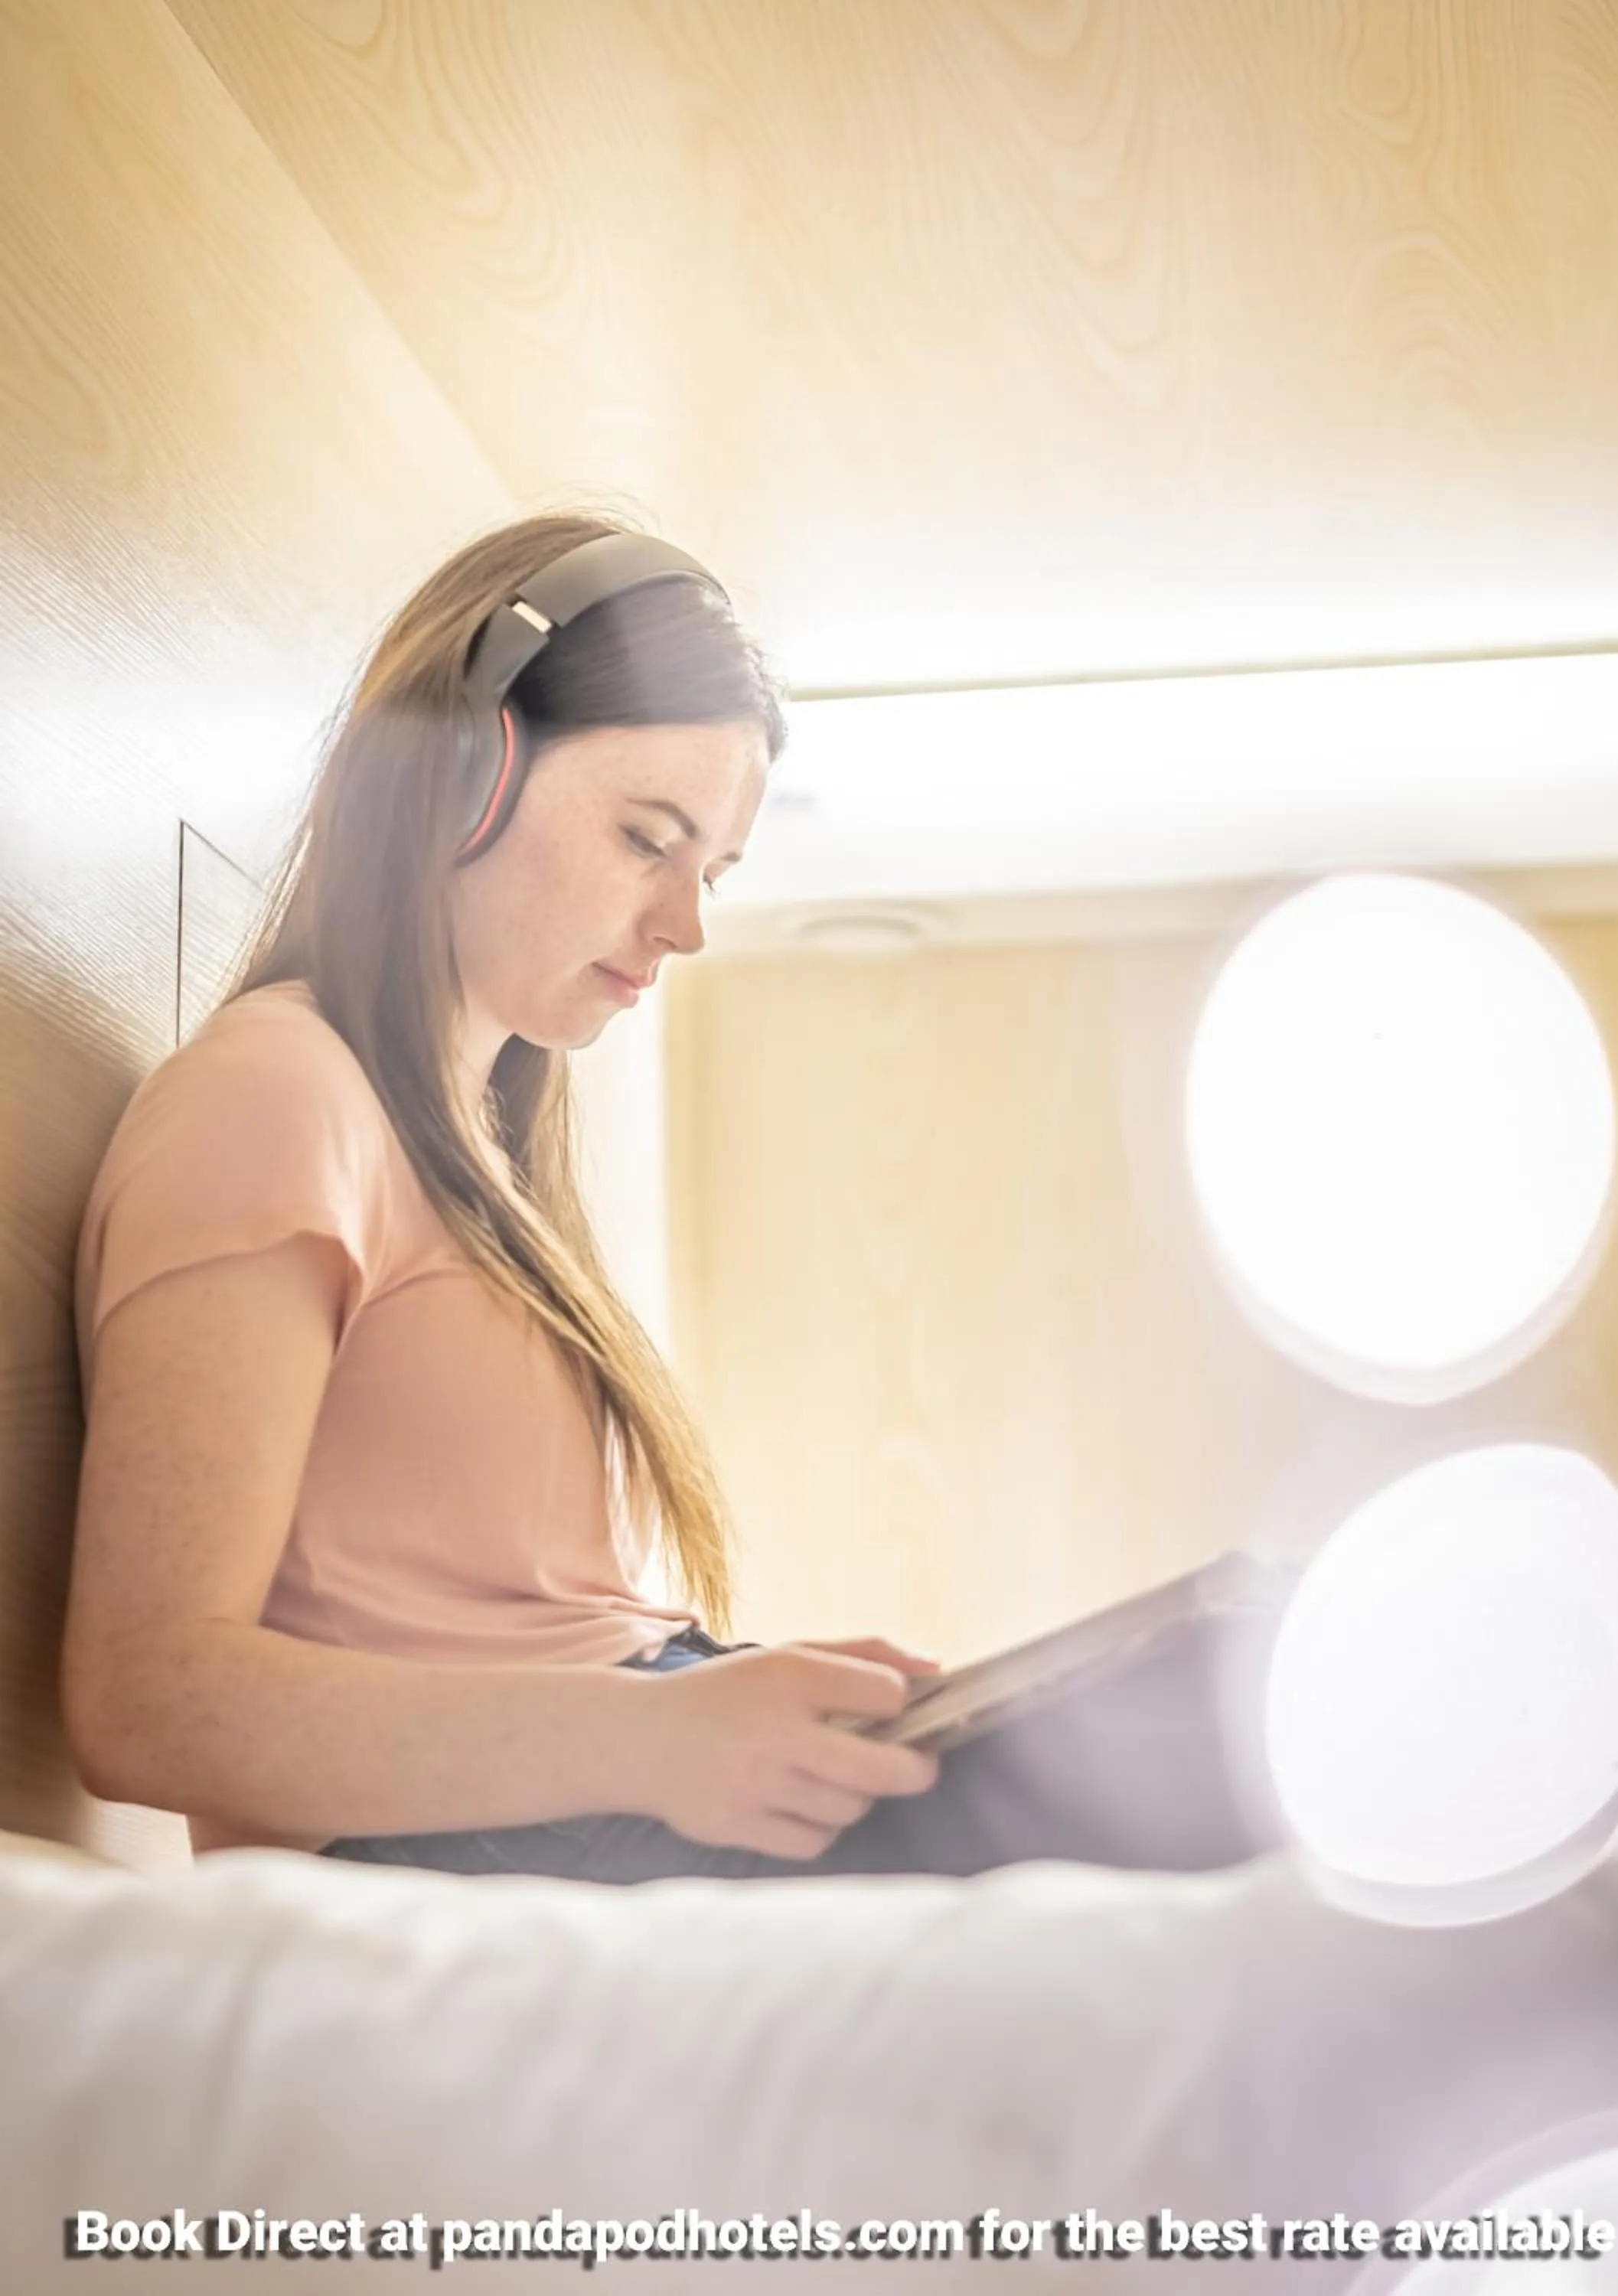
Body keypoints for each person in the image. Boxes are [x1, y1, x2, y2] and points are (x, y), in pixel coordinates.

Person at [64, 511, 1285, 1886]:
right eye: (649, 838)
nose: (684, 925)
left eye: (710, 872)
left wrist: (718, 1721)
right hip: (518, 1852)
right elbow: (145, 1699)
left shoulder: (487, 1176)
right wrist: (657, 1741)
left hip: (595, 1816)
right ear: (463, 767)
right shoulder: (278, 1093)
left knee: (1260, 1714)